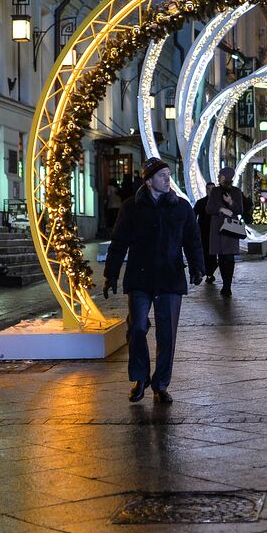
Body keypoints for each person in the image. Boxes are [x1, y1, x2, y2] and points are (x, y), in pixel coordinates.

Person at [103, 158, 204, 404]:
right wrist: (111, 274)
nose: (167, 179)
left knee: (167, 335)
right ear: (148, 181)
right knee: (137, 327)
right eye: (162, 176)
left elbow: (193, 239)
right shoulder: (131, 208)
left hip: (170, 278)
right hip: (140, 278)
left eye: (169, 175)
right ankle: (140, 378)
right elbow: (118, 243)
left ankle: (160, 384)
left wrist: (198, 267)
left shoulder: (181, 207)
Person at [205, 166, 246, 297]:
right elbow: (209, 208)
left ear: (227, 176)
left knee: (229, 257)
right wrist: (221, 210)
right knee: (221, 258)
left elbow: (240, 210)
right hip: (217, 228)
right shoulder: (215, 191)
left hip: (230, 228)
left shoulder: (236, 191)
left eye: (221, 175)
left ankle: (227, 285)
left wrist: (231, 202)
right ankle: (224, 283)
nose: (218, 176)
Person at [195, 183, 217, 283]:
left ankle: (209, 272)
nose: (210, 191)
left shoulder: (218, 202)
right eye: (209, 189)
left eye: (212, 189)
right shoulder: (201, 202)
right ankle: (209, 273)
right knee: (207, 253)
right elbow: (193, 215)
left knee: (212, 254)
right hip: (204, 232)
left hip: (215, 232)